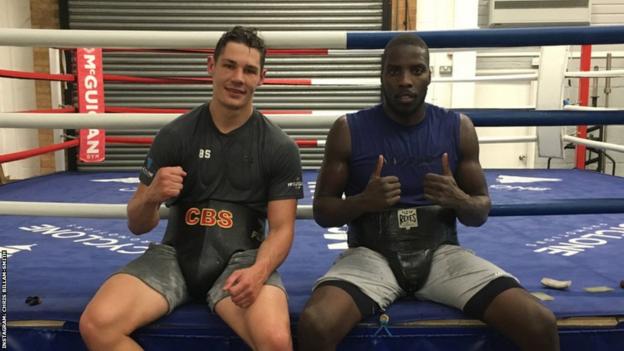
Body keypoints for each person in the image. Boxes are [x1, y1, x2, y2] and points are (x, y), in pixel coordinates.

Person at [296, 33, 559, 351]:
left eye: (416, 70)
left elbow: (480, 211)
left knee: (539, 322)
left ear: (429, 75)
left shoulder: (457, 127)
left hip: (441, 254)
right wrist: (363, 202)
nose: (405, 80)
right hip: (371, 254)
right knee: (316, 324)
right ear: (382, 75)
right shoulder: (348, 129)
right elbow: (323, 211)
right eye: (395, 71)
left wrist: (457, 198)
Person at [80, 26, 303, 351]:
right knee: (97, 325)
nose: (238, 77)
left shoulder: (279, 146)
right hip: (174, 255)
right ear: (210, 66)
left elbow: (282, 229)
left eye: (249, 70)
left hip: (242, 260)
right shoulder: (175, 135)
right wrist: (153, 195)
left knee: (276, 341)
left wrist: (258, 272)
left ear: (262, 77)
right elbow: (137, 224)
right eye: (229, 65)